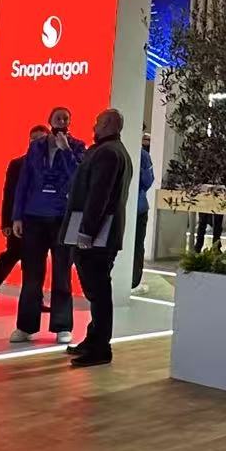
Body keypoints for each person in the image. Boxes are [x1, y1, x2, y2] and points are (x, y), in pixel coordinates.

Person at [60, 108, 134, 368]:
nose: (94, 125)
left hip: (97, 236)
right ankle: (94, 340)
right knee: (97, 290)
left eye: (98, 122)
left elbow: (98, 195)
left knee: (98, 291)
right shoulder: (112, 151)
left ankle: (100, 346)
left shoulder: (108, 153)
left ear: (109, 124)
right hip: (100, 234)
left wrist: (87, 231)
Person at [10, 107, 81, 345]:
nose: (61, 121)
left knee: (62, 273)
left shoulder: (77, 147)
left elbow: (79, 177)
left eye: (66, 118)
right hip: (34, 216)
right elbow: (24, 182)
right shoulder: (36, 147)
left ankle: (62, 326)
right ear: (50, 120)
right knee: (31, 274)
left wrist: (67, 151)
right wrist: (17, 216)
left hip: (61, 217)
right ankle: (26, 326)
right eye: (58, 117)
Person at [0, 126, 42, 308]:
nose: (37, 143)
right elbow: (8, 194)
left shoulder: (51, 166)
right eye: (34, 139)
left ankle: (34, 300)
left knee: (36, 262)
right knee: (12, 255)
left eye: (41, 139)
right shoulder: (17, 164)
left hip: (41, 221)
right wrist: (6, 222)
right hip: (19, 220)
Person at [132, 132, 154, 290]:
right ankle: (133, 279)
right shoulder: (143, 155)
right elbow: (148, 181)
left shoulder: (143, 156)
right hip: (137, 206)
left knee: (137, 244)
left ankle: (135, 280)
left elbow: (148, 181)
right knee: (137, 245)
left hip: (138, 208)